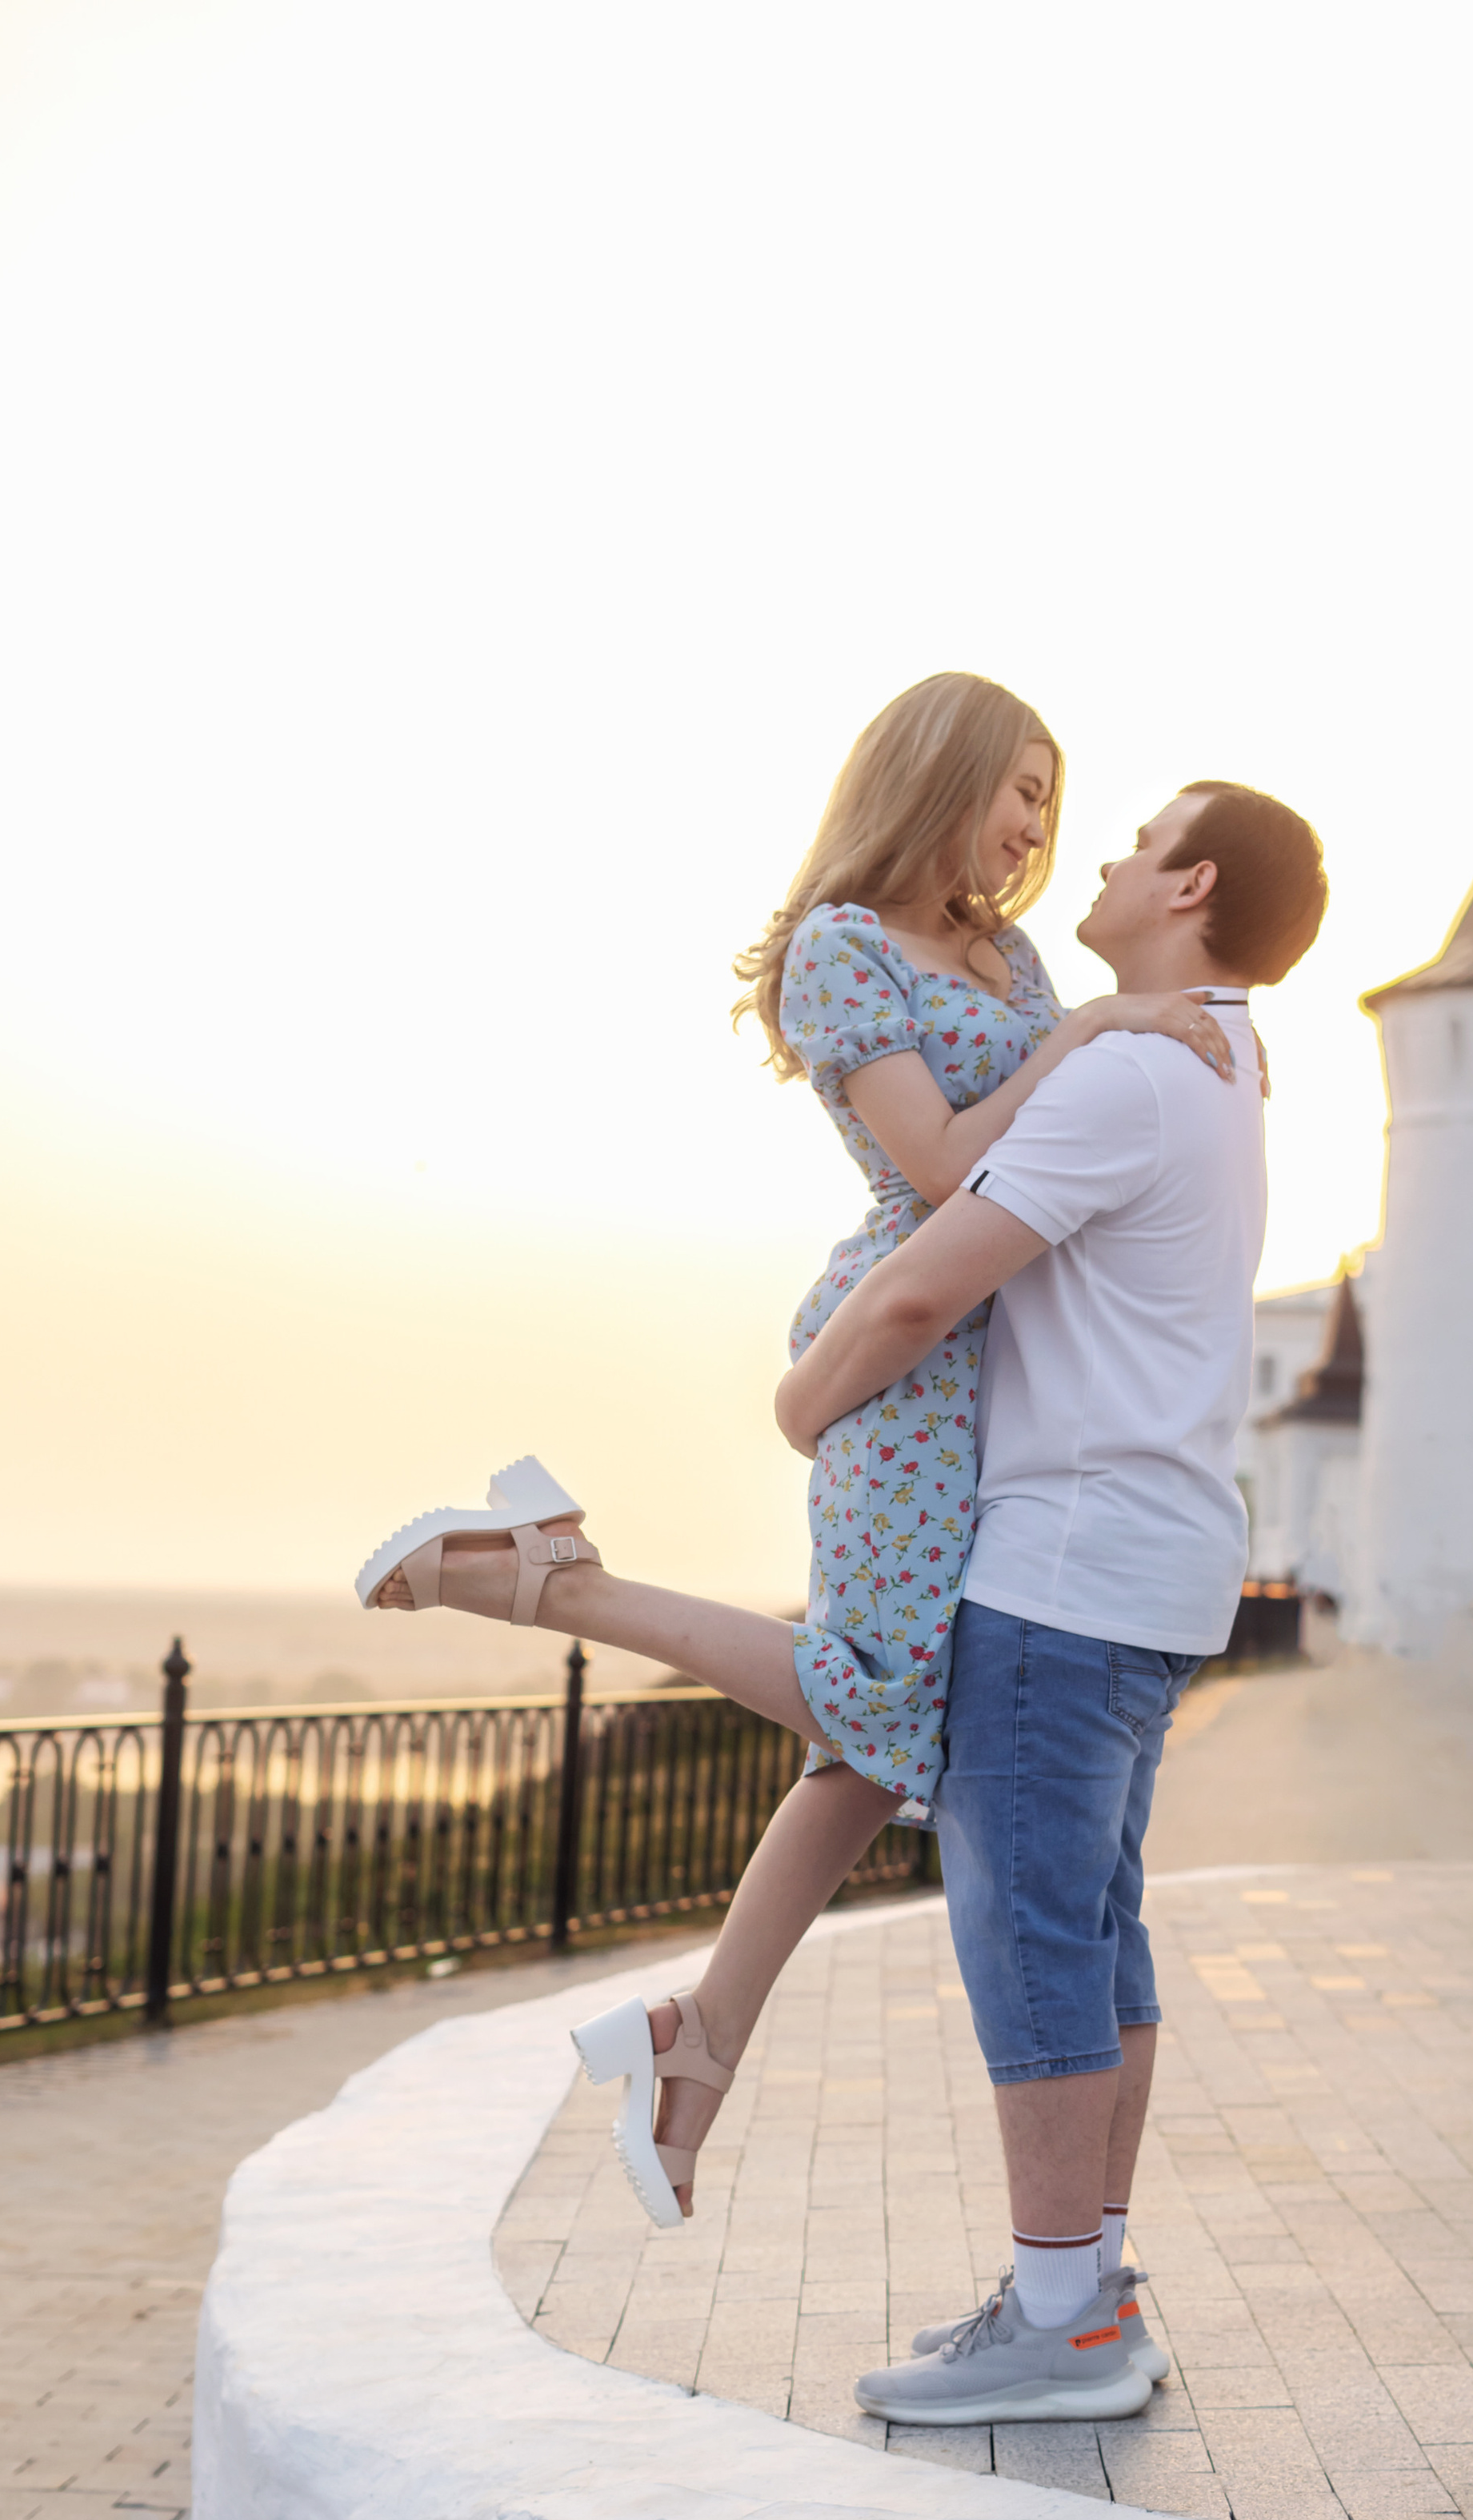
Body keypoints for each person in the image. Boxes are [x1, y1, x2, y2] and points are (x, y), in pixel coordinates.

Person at [353, 674, 1235, 2226]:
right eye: (1017, 785)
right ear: (935, 772)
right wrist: (1095, 1031)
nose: (1037, 824)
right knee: (889, 1708)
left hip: (995, 1363)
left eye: (1051, 794)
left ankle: (693, 2048)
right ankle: (549, 1585)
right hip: (900, 1360)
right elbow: (950, 1163)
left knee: (872, 1736)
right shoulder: (842, 949)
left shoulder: (1005, 949)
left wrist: (1089, 1026)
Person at [769, 779, 1328, 2425]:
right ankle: (1081, 2279)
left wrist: (799, 1404)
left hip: (1063, 1577)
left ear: (1190, 882)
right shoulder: (1218, 1066)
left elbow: (931, 1280)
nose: (1095, 855)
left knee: (1026, 1937)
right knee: (1091, 1933)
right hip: (1153, 1569)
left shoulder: (1144, 1075)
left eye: (1134, 839)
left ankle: (1065, 2319)